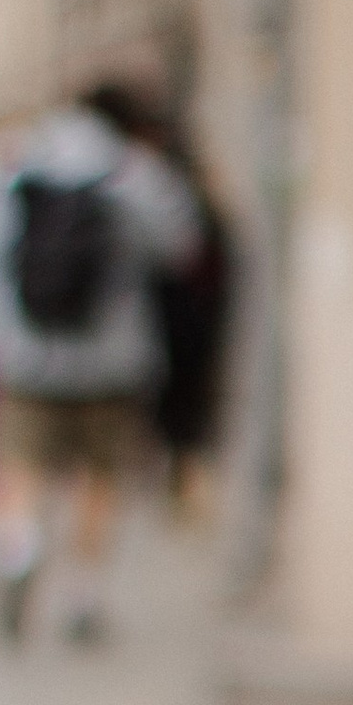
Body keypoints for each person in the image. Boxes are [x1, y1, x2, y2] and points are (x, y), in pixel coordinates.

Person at [0, 97, 203, 642]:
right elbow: (179, 246)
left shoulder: (18, 169)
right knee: (99, 476)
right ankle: (83, 594)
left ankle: (19, 551)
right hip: (112, 363)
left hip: (28, 360)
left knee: (19, 468)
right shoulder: (129, 172)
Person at [79, 76, 237, 519]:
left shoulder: (70, 168)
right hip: (154, 332)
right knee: (107, 466)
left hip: (89, 341)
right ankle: (183, 495)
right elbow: (186, 248)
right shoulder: (148, 176)